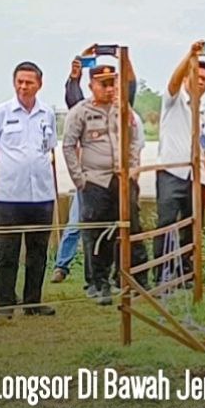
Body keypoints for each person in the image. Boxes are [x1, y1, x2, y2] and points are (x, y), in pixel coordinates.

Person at [62, 63, 147, 305]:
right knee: (97, 234)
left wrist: (132, 170)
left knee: (130, 227)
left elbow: (133, 142)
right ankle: (98, 284)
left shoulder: (124, 110)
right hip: (95, 181)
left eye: (113, 83)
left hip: (121, 179)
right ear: (92, 86)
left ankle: (132, 279)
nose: (110, 89)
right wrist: (79, 179)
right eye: (104, 84)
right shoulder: (80, 112)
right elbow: (68, 146)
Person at [0, 62, 57, 319]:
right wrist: (10, 169)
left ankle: (32, 302)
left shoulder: (47, 113)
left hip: (41, 195)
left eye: (29, 82)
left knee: (38, 252)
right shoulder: (1, 113)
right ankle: (5, 304)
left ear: (40, 84)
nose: (24, 87)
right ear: (14, 82)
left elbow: (48, 146)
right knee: (8, 252)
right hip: (10, 196)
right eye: (20, 82)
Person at [153, 42, 205, 287]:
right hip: (171, 173)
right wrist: (190, 56)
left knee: (192, 228)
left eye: (204, 78)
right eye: (196, 76)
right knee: (166, 224)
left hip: (196, 178)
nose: (200, 81)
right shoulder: (173, 102)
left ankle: (186, 275)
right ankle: (161, 275)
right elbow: (173, 81)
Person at [50, 56, 88, 285]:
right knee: (75, 226)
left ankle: (105, 275)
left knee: (112, 230)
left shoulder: (119, 115)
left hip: (113, 181)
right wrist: (75, 76)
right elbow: (75, 100)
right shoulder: (85, 113)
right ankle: (61, 266)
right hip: (87, 179)